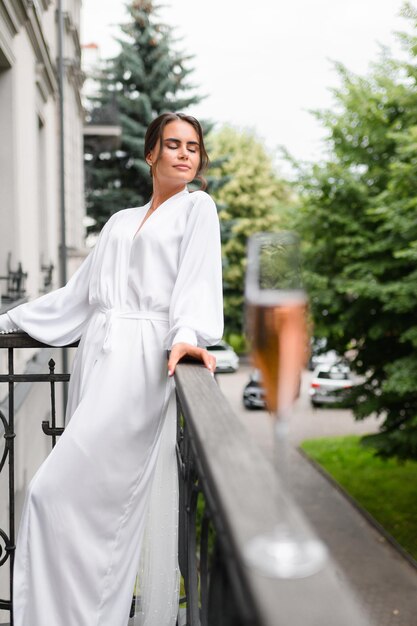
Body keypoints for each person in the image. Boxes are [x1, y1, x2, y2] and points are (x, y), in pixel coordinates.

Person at [0, 112, 223, 626]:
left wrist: (187, 337)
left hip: (140, 370)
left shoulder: (198, 210)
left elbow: (197, 283)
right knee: (70, 507)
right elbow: (78, 298)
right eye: (173, 144)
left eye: (193, 146)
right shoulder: (121, 220)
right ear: (152, 154)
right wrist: (11, 319)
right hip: (98, 364)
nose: (186, 153)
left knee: (50, 493)